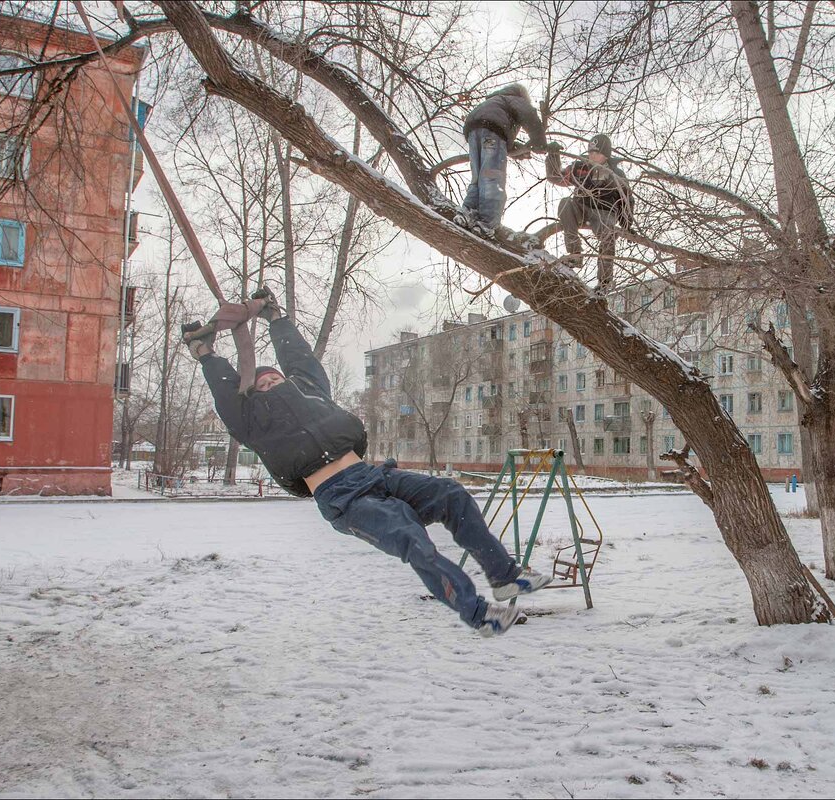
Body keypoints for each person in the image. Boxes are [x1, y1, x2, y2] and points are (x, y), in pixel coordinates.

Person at [182, 289, 550, 637]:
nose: (271, 384)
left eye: (275, 378)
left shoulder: (309, 388)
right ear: (252, 395)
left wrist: (276, 318)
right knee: (410, 536)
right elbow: (225, 391)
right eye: (262, 384)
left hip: (373, 475)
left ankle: (504, 576)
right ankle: (479, 614)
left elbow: (298, 358)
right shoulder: (251, 420)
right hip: (343, 498)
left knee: (451, 494)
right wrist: (206, 353)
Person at [545, 134, 633, 293]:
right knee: (565, 203)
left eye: (597, 153)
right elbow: (556, 177)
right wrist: (553, 156)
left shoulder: (615, 173)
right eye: (591, 152)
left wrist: (627, 224)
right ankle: (575, 254)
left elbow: (626, 199)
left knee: (608, 234)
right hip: (582, 207)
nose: (592, 156)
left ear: (606, 155)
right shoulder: (579, 167)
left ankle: (604, 282)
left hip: (605, 212)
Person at [455, 83, 547, 237]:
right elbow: (528, 114)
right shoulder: (515, 98)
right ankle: (486, 222)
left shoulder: (495, 101)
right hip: (492, 132)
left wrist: (518, 152)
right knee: (492, 177)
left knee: (478, 177)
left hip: (474, 132)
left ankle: (467, 213)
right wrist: (539, 141)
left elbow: (501, 144)